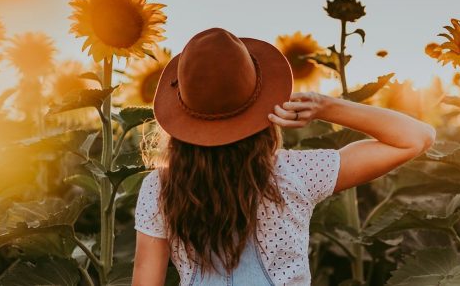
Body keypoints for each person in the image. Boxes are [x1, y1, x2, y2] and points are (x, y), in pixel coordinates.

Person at [131, 28, 436, 286]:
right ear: (263, 109)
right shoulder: (295, 173)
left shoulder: (159, 189)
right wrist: (326, 107)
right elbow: (416, 138)